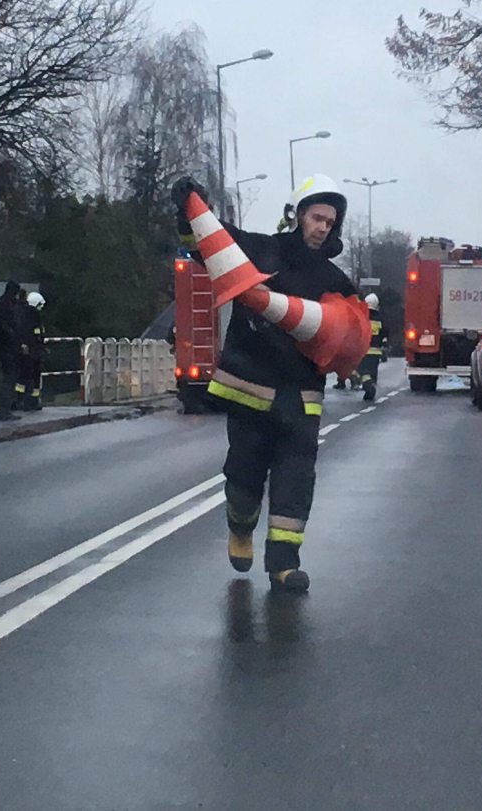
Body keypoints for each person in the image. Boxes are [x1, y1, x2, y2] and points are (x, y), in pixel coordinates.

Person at [172, 173, 362, 594]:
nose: (322, 227)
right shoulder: (261, 251)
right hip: (249, 391)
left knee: (296, 482)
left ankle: (284, 565)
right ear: (298, 215)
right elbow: (209, 245)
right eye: (316, 217)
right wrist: (190, 209)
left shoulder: (334, 280)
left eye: (330, 222)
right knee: (244, 476)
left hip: (301, 401)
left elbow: (352, 333)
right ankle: (240, 528)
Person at [0, 281, 22, 422]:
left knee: (9, 377)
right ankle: (5, 411)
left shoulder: (1, 304)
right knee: (9, 377)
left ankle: (7, 408)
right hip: (7, 347)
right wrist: (13, 338)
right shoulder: (7, 305)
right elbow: (7, 326)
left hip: (3, 346)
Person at [15, 292, 46, 411]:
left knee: (26, 376)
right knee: (29, 375)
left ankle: (23, 400)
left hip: (32, 351)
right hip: (32, 351)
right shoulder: (31, 315)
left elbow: (37, 333)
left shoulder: (26, 314)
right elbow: (34, 333)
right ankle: (27, 400)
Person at [354, 292, 386, 401]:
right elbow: (385, 333)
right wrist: (384, 345)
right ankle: (371, 390)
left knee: (362, 371)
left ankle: (368, 386)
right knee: (373, 371)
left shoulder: (361, 316)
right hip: (376, 352)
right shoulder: (380, 318)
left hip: (363, 350)